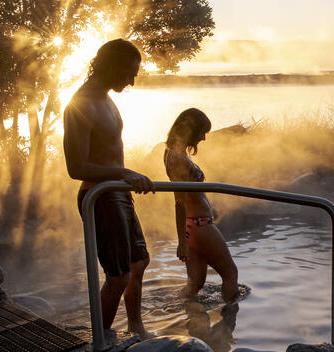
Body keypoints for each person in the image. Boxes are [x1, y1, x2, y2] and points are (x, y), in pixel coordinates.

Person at [63, 39, 156, 340]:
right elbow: (75, 168)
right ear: (112, 66)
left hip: (117, 191)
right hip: (101, 197)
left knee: (138, 263)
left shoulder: (105, 97)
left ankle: (135, 326)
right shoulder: (81, 104)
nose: (131, 81)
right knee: (118, 275)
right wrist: (123, 173)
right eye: (129, 73)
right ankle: (101, 340)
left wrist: (124, 177)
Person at [163, 108, 240, 302]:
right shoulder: (178, 158)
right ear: (192, 129)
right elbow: (179, 202)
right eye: (202, 132)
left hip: (194, 226)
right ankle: (230, 324)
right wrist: (181, 242)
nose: (204, 138)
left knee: (195, 283)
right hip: (200, 225)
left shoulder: (174, 153)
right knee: (231, 274)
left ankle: (174, 311)